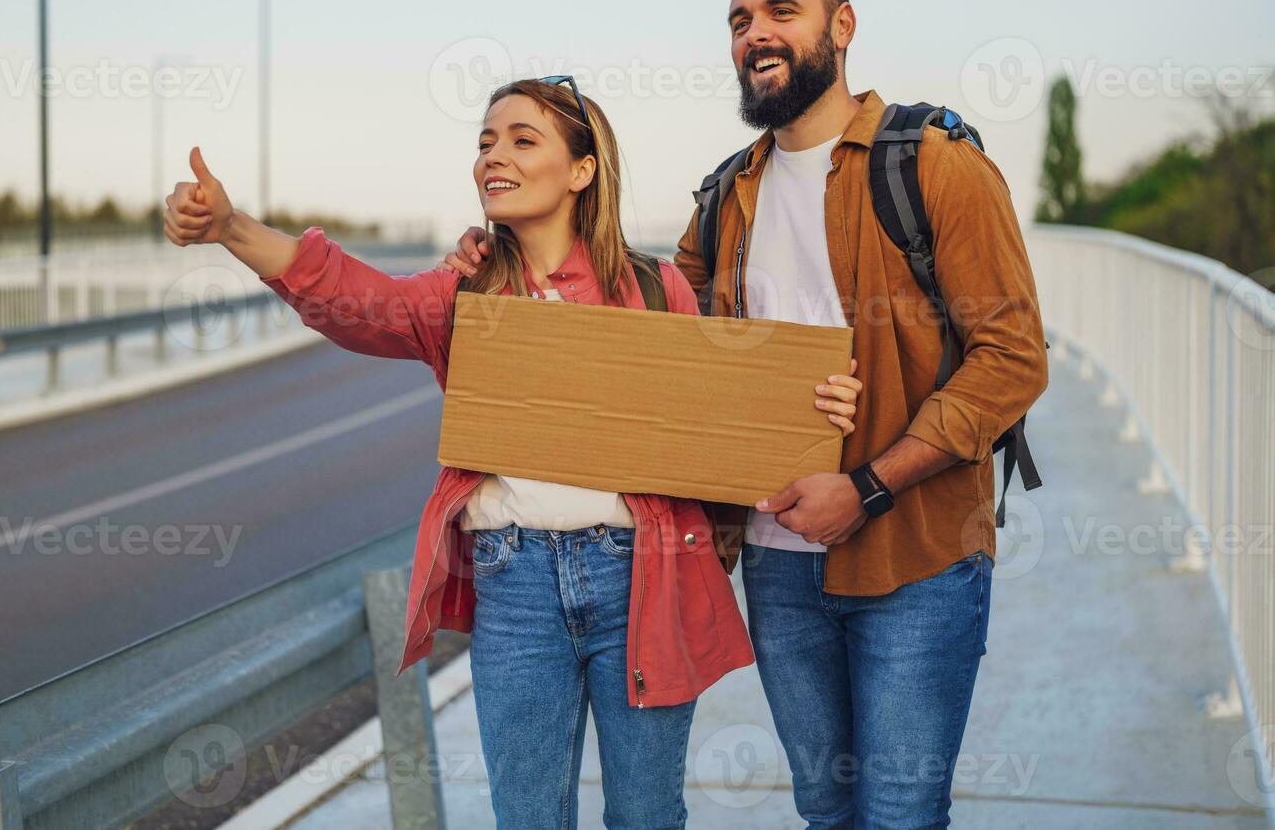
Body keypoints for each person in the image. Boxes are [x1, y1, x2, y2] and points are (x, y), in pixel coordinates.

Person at [446, 0, 1049, 828]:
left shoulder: (932, 163)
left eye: (780, 13)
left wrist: (867, 487)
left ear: (841, 28)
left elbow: (1013, 357)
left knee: (901, 813)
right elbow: (646, 345)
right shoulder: (728, 195)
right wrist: (498, 256)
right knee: (826, 808)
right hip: (778, 562)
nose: (755, 34)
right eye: (739, 21)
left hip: (916, 553)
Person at [163, 77, 862, 828]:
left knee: (648, 817)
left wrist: (818, 413)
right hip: (515, 587)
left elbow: (724, 422)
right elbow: (355, 301)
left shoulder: (658, 290)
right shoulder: (465, 293)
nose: (494, 156)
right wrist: (232, 227)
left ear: (582, 170)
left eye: (523, 140)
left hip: (641, 582)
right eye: (486, 142)